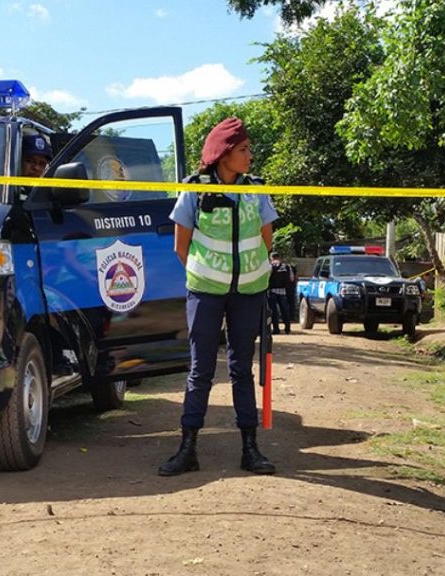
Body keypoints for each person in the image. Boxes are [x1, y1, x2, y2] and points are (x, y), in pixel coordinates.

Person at [159, 117, 277, 477]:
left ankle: (250, 449)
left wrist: (245, 275)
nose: (250, 156)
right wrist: (210, 275)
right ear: (223, 154)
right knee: (201, 370)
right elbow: (182, 247)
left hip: (248, 293)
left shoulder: (256, 189)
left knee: (242, 369)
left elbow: (266, 240)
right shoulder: (194, 189)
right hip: (206, 293)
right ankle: (187, 448)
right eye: (243, 150)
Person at [268, 251, 294, 334]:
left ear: (271, 258)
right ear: (278, 257)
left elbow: (266, 277)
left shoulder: (270, 266)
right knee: (285, 311)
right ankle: (287, 328)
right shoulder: (287, 266)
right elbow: (292, 278)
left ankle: (276, 329)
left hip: (272, 291)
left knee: (274, 311)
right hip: (283, 292)